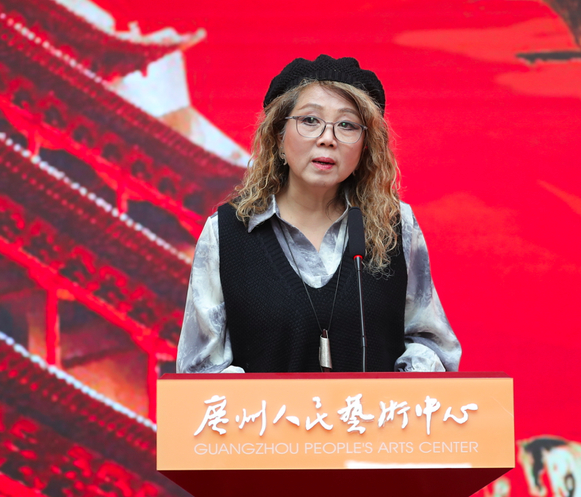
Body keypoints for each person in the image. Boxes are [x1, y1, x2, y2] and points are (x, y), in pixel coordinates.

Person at [176, 54, 461, 373]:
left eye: (347, 125)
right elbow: (199, 370)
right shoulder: (226, 233)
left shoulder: (396, 225)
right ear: (278, 137)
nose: (327, 139)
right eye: (310, 120)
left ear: (366, 147)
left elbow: (432, 346)